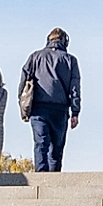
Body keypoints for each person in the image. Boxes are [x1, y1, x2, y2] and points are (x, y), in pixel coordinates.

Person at [20, 29, 82, 172]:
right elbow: (75, 87)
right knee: (56, 151)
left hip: (38, 108)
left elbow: (23, 83)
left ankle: (41, 180)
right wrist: (75, 112)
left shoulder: (35, 57)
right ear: (65, 41)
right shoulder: (70, 60)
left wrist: (23, 109)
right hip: (60, 110)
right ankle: (54, 182)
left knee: (41, 145)